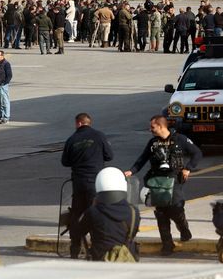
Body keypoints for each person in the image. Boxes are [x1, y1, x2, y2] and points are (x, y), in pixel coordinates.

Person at [125, 115, 202, 255]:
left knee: (176, 209)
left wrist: (188, 168)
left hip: (174, 179)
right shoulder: (153, 143)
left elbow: (197, 153)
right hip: (157, 181)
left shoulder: (180, 139)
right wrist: (131, 171)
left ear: (161, 126)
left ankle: (184, 230)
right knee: (161, 213)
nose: (150, 130)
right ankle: (167, 244)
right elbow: (142, 158)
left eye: (152, 127)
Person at [60, 112, 113, 259]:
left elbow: (65, 162)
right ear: (89, 123)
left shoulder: (72, 139)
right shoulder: (99, 136)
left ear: (78, 123)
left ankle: (74, 248)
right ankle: (96, 248)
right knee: (95, 214)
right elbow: (109, 156)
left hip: (78, 182)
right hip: (96, 182)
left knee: (76, 215)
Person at [78, 167, 140, 262]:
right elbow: (133, 233)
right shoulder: (133, 212)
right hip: (126, 259)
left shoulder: (93, 212)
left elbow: (80, 230)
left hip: (100, 259)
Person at [0, 51, 12, 124]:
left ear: (3, 56)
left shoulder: (6, 64)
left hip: (3, 86)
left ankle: (6, 117)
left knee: (5, 102)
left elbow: (9, 75)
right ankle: (0, 117)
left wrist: (4, 83)